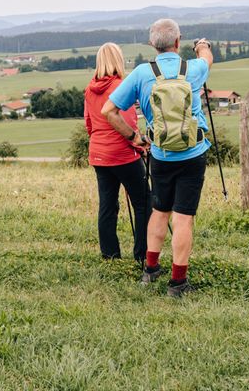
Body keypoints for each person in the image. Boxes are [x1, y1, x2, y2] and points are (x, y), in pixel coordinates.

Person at [102, 19, 213, 297]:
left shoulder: (142, 73)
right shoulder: (192, 69)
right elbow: (207, 59)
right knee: (183, 218)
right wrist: (202, 45)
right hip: (193, 153)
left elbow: (108, 110)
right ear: (178, 42)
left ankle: (150, 270)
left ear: (152, 44)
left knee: (160, 211)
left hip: (161, 155)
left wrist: (135, 138)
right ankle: (178, 283)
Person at [84, 42, 150, 262]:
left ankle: (110, 256)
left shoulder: (90, 88)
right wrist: (139, 144)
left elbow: (89, 123)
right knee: (143, 203)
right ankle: (142, 255)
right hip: (122, 153)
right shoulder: (121, 86)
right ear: (118, 60)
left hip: (99, 154)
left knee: (107, 205)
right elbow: (128, 122)